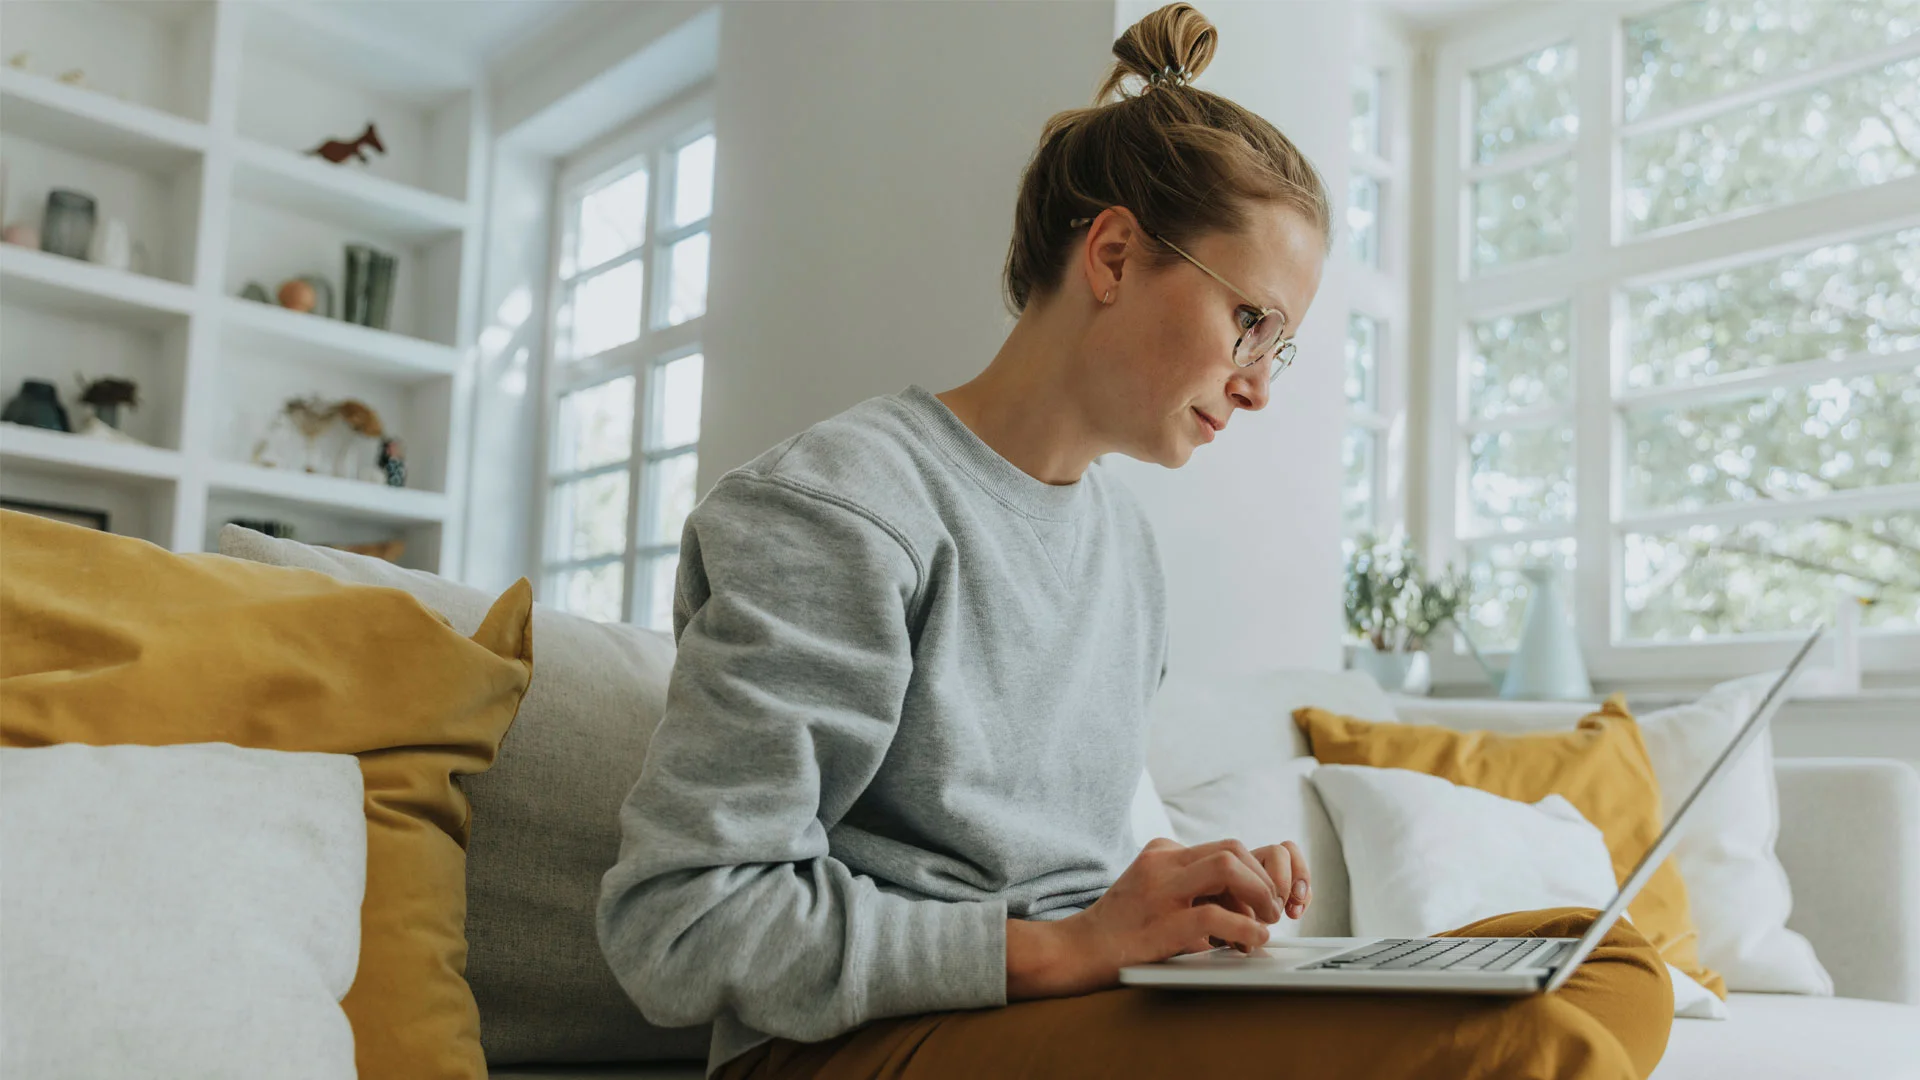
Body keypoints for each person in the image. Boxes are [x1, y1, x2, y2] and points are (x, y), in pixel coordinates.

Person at [597, 5, 1675, 1077]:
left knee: (1603, 962)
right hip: (863, 1041)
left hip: (1067, 1004)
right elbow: (685, 924)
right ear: (1112, 255)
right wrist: (1069, 946)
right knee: (1518, 1039)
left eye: (1282, 350)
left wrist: (1173, 886)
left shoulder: (1121, 544)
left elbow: (1057, 856)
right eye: (1251, 321)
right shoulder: (842, 506)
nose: (1257, 388)